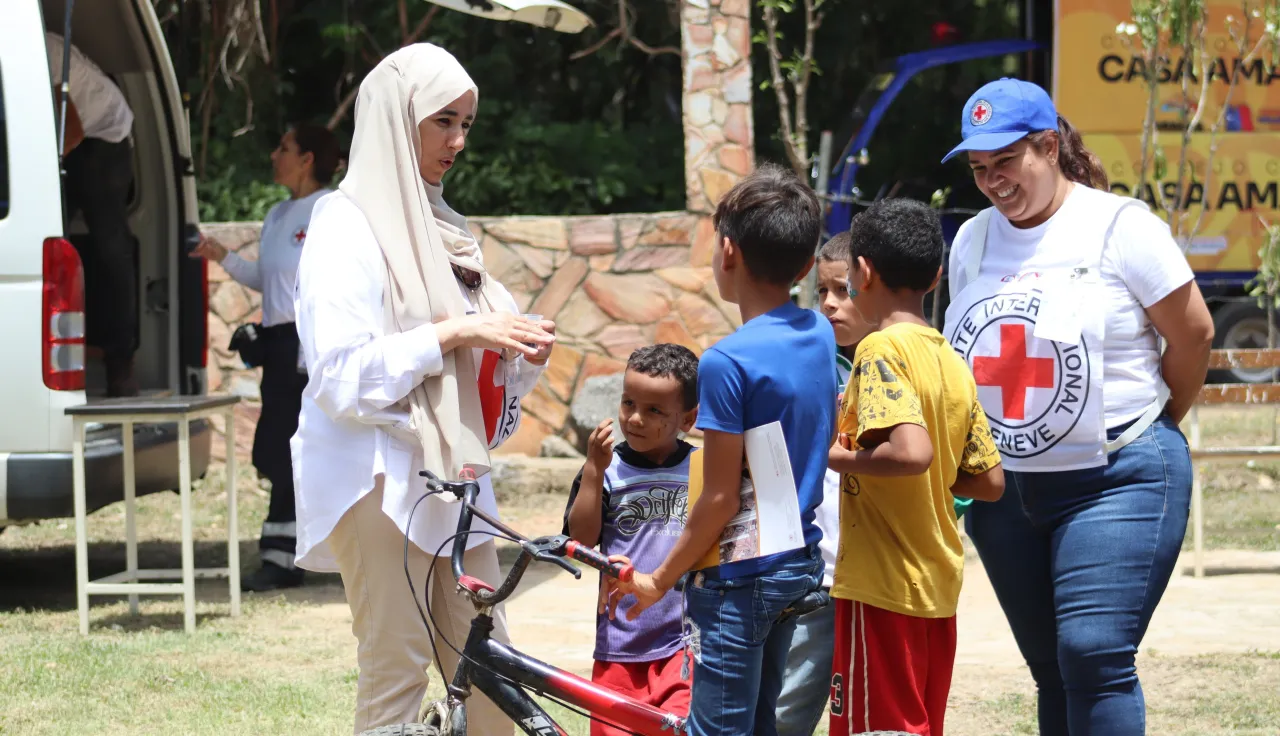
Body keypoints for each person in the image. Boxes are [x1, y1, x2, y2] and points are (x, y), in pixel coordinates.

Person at [290, 44, 556, 734]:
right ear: (395, 117)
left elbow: (482, 372)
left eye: (467, 123)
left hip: (452, 478)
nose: (459, 141)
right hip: (377, 477)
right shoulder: (343, 223)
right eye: (443, 121)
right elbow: (339, 375)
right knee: (397, 665)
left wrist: (517, 348)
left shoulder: (444, 226)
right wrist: (455, 336)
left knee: (491, 663)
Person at [940, 78, 1214, 735]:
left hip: (1117, 479)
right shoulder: (972, 241)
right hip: (1005, 495)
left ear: (1048, 146)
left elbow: (1194, 334)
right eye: (978, 169)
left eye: (1005, 162)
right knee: (1051, 667)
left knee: (1092, 653)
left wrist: (1159, 420)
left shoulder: (1120, 228)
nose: (992, 181)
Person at [610, 163, 835, 736]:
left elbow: (717, 499)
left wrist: (658, 580)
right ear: (808, 265)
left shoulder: (727, 362)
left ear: (726, 251)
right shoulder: (819, 332)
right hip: (800, 565)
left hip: (740, 578)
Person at [826, 198, 1004, 736]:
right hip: (936, 585)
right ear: (936, 275)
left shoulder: (879, 349)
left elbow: (910, 453)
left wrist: (824, 455)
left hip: (882, 587)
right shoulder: (951, 358)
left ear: (862, 272)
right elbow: (989, 482)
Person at [190, 123, 342, 591]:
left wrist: (310, 344)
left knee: (294, 447)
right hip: (280, 346)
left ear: (307, 159)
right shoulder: (278, 215)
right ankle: (297, 551)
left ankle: (285, 559)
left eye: (283, 146)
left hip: (311, 346)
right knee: (276, 449)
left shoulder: (332, 210)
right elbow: (270, 280)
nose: (274, 154)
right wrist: (222, 256)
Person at [563, 343, 700, 736]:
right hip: (620, 643)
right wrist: (592, 470)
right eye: (628, 403)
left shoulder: (701, 469)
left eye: (654, 410)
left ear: (687, 418)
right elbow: (582, 541)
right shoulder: (606, 470)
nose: (635, 418)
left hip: (685, 641)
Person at [775, 232, 858, 736]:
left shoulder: (908, 363)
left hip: (881, 580)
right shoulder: (808, 362)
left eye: (843, 290)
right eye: (821, 291)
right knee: (786, 709)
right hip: (815, 574)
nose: (828, 304)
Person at [45, 31, 140, 396]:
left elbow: (71, 130)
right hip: (69, 133)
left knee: (110, 246)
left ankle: (120, 362)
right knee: (49, 244)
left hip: (104, 135)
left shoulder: (47, 52)